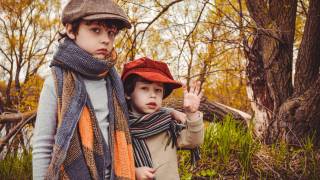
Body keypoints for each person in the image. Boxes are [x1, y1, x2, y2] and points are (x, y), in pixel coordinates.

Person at [32, 0, 136, 179]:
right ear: (71, 30)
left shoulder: (113, 80)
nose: (106, 39)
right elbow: (43, 146)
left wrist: (176, 113)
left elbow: (141, 112)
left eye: (111, 33)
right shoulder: (56, 83)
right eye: (96, 30)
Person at [121, 57, 204, 180]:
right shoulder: (119, 127)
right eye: (144, 88)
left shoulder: (167, 124)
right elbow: (111, 162)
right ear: (128, 93)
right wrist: (133, 172)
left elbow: (193, 141)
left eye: (158, 90)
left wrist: (191, 114)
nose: (153, 95)